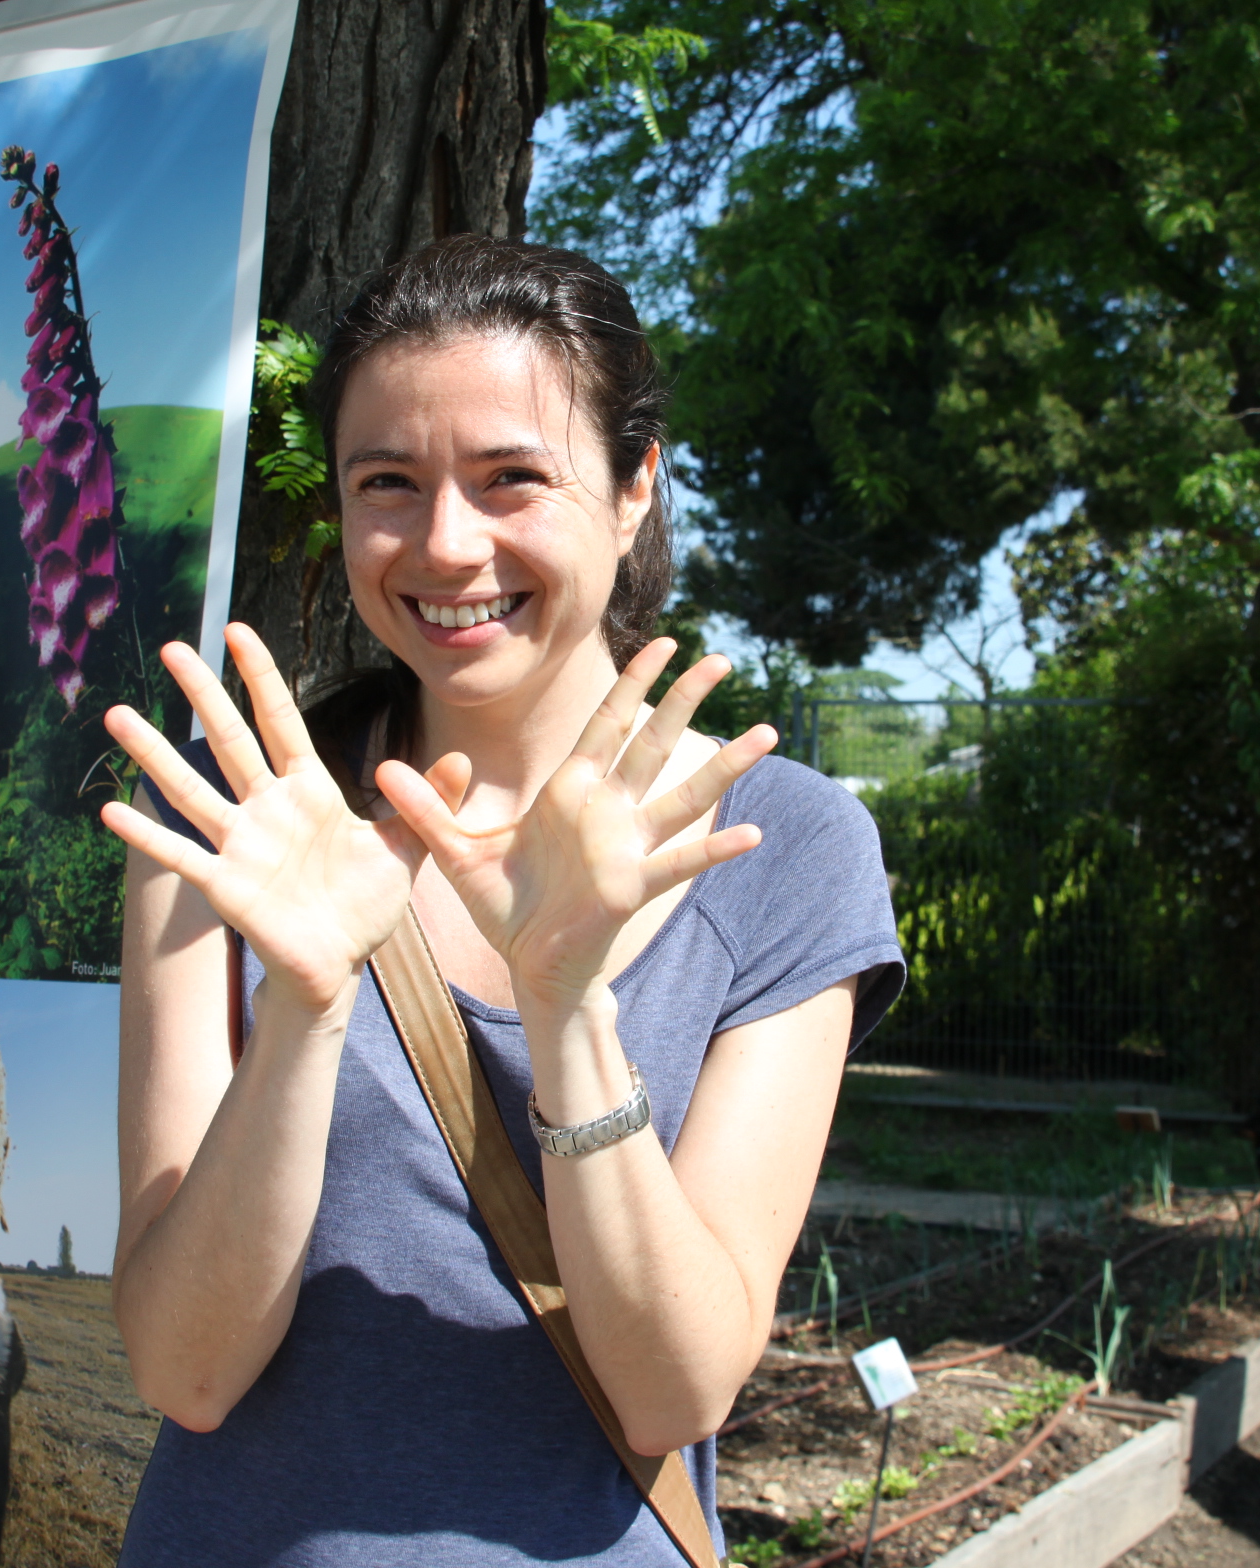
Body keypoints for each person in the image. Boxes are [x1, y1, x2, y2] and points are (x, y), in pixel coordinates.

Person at [101, 235, 903, 1566]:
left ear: (637, 484)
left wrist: (569, 1009)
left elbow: (673, 1387)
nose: (445, 545)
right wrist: (305, 1006)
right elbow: (186, 1372)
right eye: (388, 485)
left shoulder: (785, 846)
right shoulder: (237, 831)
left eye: (511, 479)